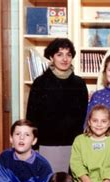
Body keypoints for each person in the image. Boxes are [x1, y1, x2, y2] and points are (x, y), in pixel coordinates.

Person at [26, 38, 88, 172]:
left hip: (73, 146)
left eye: (68, 54)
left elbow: (83, 117)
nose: (65, 59)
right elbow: (31, 117)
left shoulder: (79, 84)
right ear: (51, 57)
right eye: (59, 54)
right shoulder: (40, 83)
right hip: (46, 145)